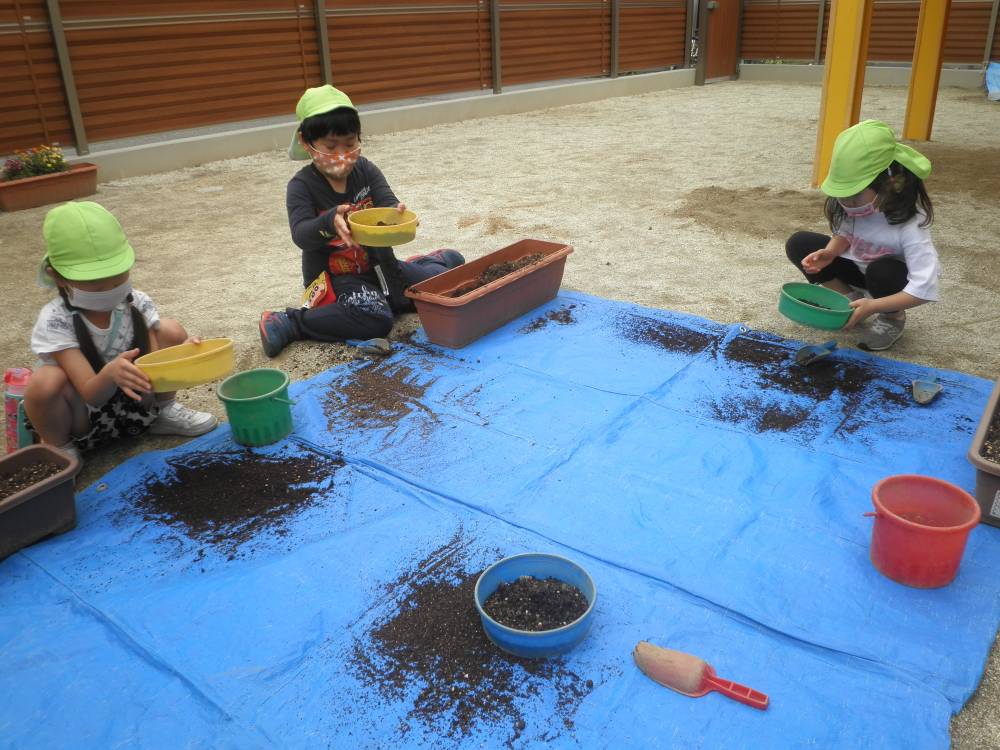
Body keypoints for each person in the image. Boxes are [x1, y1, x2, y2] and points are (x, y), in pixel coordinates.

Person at [259, 84, 464, 357]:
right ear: (306, 143)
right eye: (331, 146)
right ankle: (291, 322)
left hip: (382, 266)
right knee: (377, 319)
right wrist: (329, 222)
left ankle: (428, 264)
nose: (342, 154)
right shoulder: (302, 186)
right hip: (338, 279)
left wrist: (397, 215)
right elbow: (300, 234)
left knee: (443, 286)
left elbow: (388, 202)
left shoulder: (365, 169)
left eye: (350, 143)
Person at [24, 201, 218, 463]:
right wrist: (111, 373)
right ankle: (61, 449)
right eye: (96, 285)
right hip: (88, 421)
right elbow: (92, 393)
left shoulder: (135, 302)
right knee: (43, 382)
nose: (110, 290)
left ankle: (163, 412)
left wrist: (184, 354)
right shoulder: (57, 320)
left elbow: (155, 365)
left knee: (171, 331)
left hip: (139, 407)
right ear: (58, 277)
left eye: (118, 279)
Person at [785, 120, 940, 351]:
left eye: (854, 195)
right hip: (858, 269)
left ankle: (892, 318)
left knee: (883, 270)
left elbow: (923, 289)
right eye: (842, 194)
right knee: (799, 243)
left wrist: (875, 306)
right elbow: (846, 233)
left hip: (889, 283)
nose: (846, 202)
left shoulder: (910, 225)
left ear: (888, 183)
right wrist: (830, 252)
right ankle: (849, 300)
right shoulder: (855, 206)